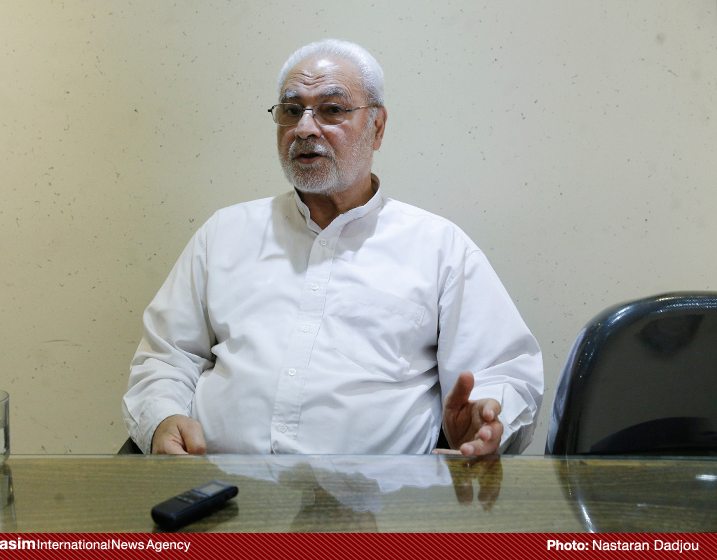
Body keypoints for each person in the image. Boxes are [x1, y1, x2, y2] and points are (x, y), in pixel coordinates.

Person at [123, 39, 543, 457]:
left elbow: (502, 372)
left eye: (332, 109)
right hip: (219, 485)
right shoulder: (224, 234)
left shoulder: (439, 248)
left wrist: (487, 420)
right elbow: (167, 356)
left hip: (384, 494)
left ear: (377, 127)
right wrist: (162, 418)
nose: (305, 128)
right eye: (292, 110)